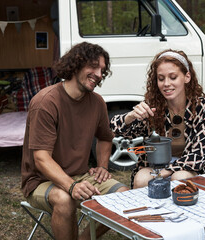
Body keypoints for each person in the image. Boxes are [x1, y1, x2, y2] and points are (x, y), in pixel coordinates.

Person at [21, 42, 129, 240]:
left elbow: (105, 137)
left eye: (102, 70)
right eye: (94, 66)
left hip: (80, 176)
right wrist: (71, 186)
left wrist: (103, 166)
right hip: (41, 181)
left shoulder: (97, 103)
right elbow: (41, 159)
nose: (98, 74)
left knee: (123, 195)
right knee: (64, 200)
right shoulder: (46, 102)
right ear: (76, 64)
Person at [110, 49, 205, 188]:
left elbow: (198, 156)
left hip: (188, 169)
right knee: (141, 178)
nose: (166, 83)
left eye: (173, 77)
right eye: (161, 78)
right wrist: (130, 117)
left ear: (187, 77)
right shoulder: (153, 108)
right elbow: (116, 130)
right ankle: (145, 209)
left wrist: (165, 172)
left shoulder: (204, 107)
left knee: (179, 178)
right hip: (154, 166)